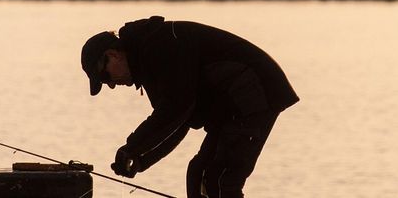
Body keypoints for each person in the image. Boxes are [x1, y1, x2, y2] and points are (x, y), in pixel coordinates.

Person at [81, 16, 299, 198]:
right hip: (230, 109)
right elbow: (177, 123)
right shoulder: (146, 62)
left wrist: (133, 147)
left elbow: (176, 109)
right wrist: (140, 159)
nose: (110, 85)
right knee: (198, 173)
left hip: (254, 93)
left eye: (104, 76)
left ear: (113, 55)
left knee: (220, 180)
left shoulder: (158, 47)